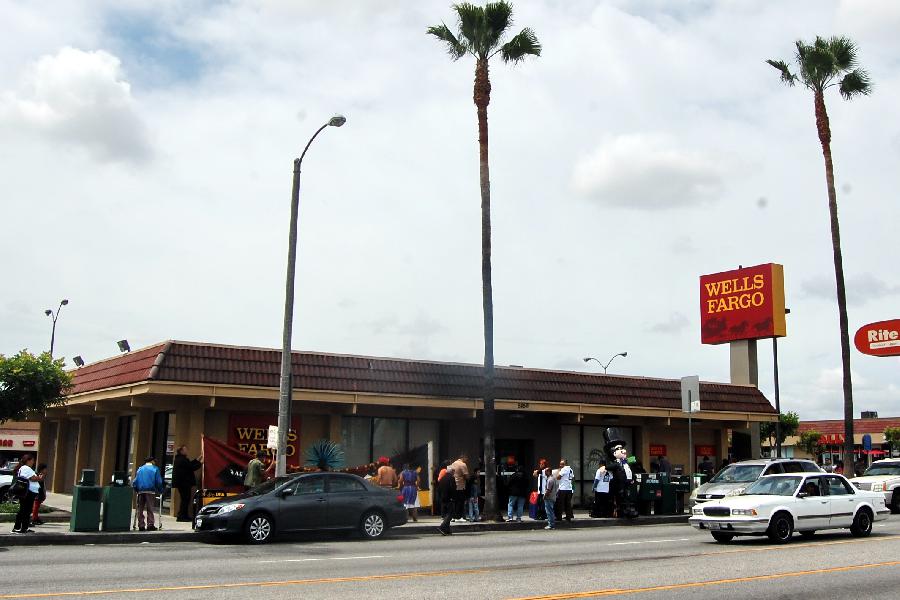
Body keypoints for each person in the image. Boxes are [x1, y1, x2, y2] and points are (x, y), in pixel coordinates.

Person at [13, 453, 44, 533]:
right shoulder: (26, 468)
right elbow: (32, 478)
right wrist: (39, 478)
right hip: (27, 492)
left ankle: (25, 527)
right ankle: (17, 527)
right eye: (33, 460)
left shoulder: (26, 468)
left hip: (29, 492)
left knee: (27, 510)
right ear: (28, 460)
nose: (33, 462)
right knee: (24, 510)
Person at [133, 456, 164, 531]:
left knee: (140, 508)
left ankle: (141, 525)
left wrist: (136, 489)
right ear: (152, 461)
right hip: (150, 491)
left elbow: (135, 481)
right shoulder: (155, 469)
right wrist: (160, 490)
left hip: (141, 491)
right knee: (150, 508)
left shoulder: (140, 469)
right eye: (154, 461)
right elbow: (158, 482)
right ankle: (150, 524)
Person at [172, 445, 202, 522]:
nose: (187, 451)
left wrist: (198, 459)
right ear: (181, 451)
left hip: (182, 483)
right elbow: (191, 467)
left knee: (185, 499)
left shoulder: (180, 459)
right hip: (184, 483)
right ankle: (181, 516)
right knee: (185, 500)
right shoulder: (182, 460)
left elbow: (190, 464)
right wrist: (200, 463)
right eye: (185, 449)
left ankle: (183, 515)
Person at [437, 465, 456, 535]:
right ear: (452, 471)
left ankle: (447, 530)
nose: (454, 472)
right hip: (449, 498)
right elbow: (453, 489)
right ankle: (442, 527)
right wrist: (453, 497)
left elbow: (438, 489)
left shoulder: (442, 478)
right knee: (450, 513)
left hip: (443, 499)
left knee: (446, 514)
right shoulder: (451, 478)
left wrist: (440, 497)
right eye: (454, 471)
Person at [450, 454, 469, 520]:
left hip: (453, 485)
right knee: (460, 502)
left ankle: (453, 517)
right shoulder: (463, 464)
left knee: (454, 501)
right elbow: (466, 476)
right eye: (467, 458)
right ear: (463, 458)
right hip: (460, 485)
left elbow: (449, 472)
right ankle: (459, 517)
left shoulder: (453, 463)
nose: (467, 460)